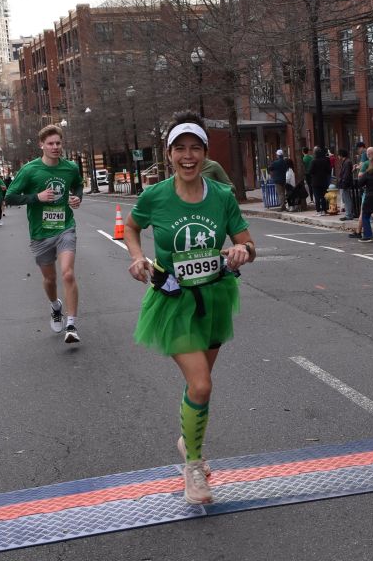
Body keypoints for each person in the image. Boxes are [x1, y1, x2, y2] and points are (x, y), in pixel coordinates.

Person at [124, 111, 255, 505]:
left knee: (199, 386)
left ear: (204, 153)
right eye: (179, 148)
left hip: (213, 298)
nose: (187, 155)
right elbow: (131, 227)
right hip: (172, 300)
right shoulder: (155, 196)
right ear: (168, 154)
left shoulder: (222, 197)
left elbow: (250, 245)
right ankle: (194, 469)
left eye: (194, 148)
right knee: (200, 383)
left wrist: (240, 251)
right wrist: (136, 256)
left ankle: (188, 439)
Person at [5, 124, 84, 344]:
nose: (55, 147)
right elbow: (10, 197)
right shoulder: (30, 170)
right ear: (42, 145)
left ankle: (71, 324)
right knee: (50, 279)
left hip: (65, 227)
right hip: (40, 233)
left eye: (58, 143)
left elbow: (78, 186)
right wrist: (36, 198)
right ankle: (56, 306)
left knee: (67, 273)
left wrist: (78, 198)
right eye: (50, 143)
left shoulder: (70, 168)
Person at [310, 146, 332, 215]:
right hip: (324, 181)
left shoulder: (314, 161)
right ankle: (324, 210)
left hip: (315, 181)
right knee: (323, 196)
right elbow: (329, 170)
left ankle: (318, 210)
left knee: (317, 197)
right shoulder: (325, 160)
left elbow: (311, 171)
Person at [337, 149, 354, 220]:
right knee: (346, 199)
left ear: (341, 155)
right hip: (345, 183)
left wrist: (343, 182)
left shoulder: (346, 162)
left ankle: (348, 215)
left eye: (338, 155)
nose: (338, 156)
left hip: (345, 184)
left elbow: (346, 174)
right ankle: (349, 213)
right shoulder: (347, 161)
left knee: (347, 199)